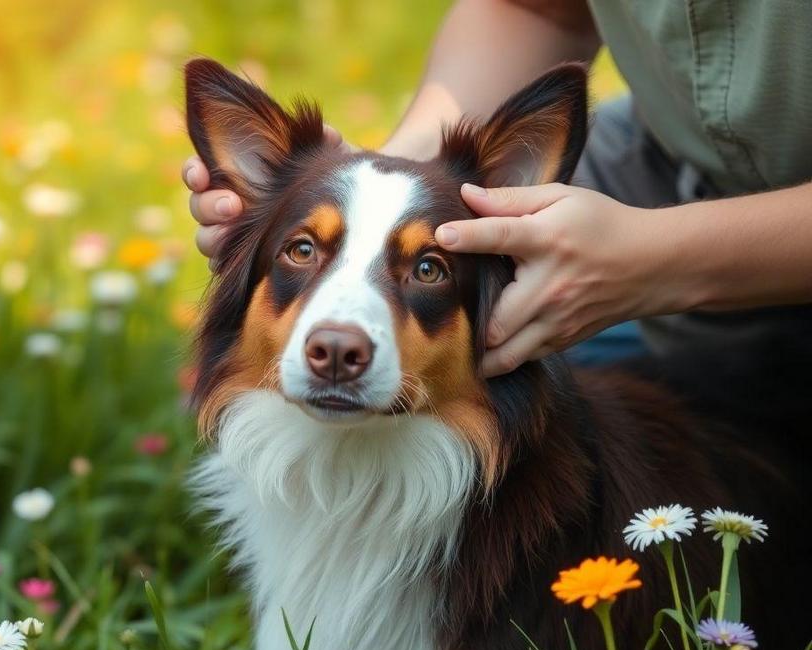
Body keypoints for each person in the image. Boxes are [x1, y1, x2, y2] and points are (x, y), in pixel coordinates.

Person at [182, 0, 812, 456]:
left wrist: (658, 263)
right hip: (665, 169)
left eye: (426, 268)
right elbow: (539, 8)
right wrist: (402, 185)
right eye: (302, 250)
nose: (340, 345)